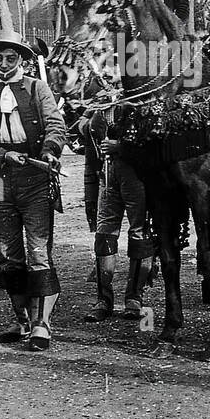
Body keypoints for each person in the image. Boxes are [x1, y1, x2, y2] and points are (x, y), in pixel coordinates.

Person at [0, 30, 67, 351]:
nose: (5, 63)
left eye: (11, 58)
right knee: (8, 252)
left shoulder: (38, 89)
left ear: (21, 59)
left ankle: (42, 323)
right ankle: (21, 319)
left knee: (38, 251)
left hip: (35, 178)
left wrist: (50, 150)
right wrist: (2, 154)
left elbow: (56, 125)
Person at [83, 101, 153, 322]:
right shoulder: (100, 98)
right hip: (107, 175)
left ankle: (134, 297)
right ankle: (104, 299)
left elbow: (157, 138)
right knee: (104, 236)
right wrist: (91, 121)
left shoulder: (145, 95)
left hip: (138, 176)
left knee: (140, 233)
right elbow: (82, 129)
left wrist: (122, 147)